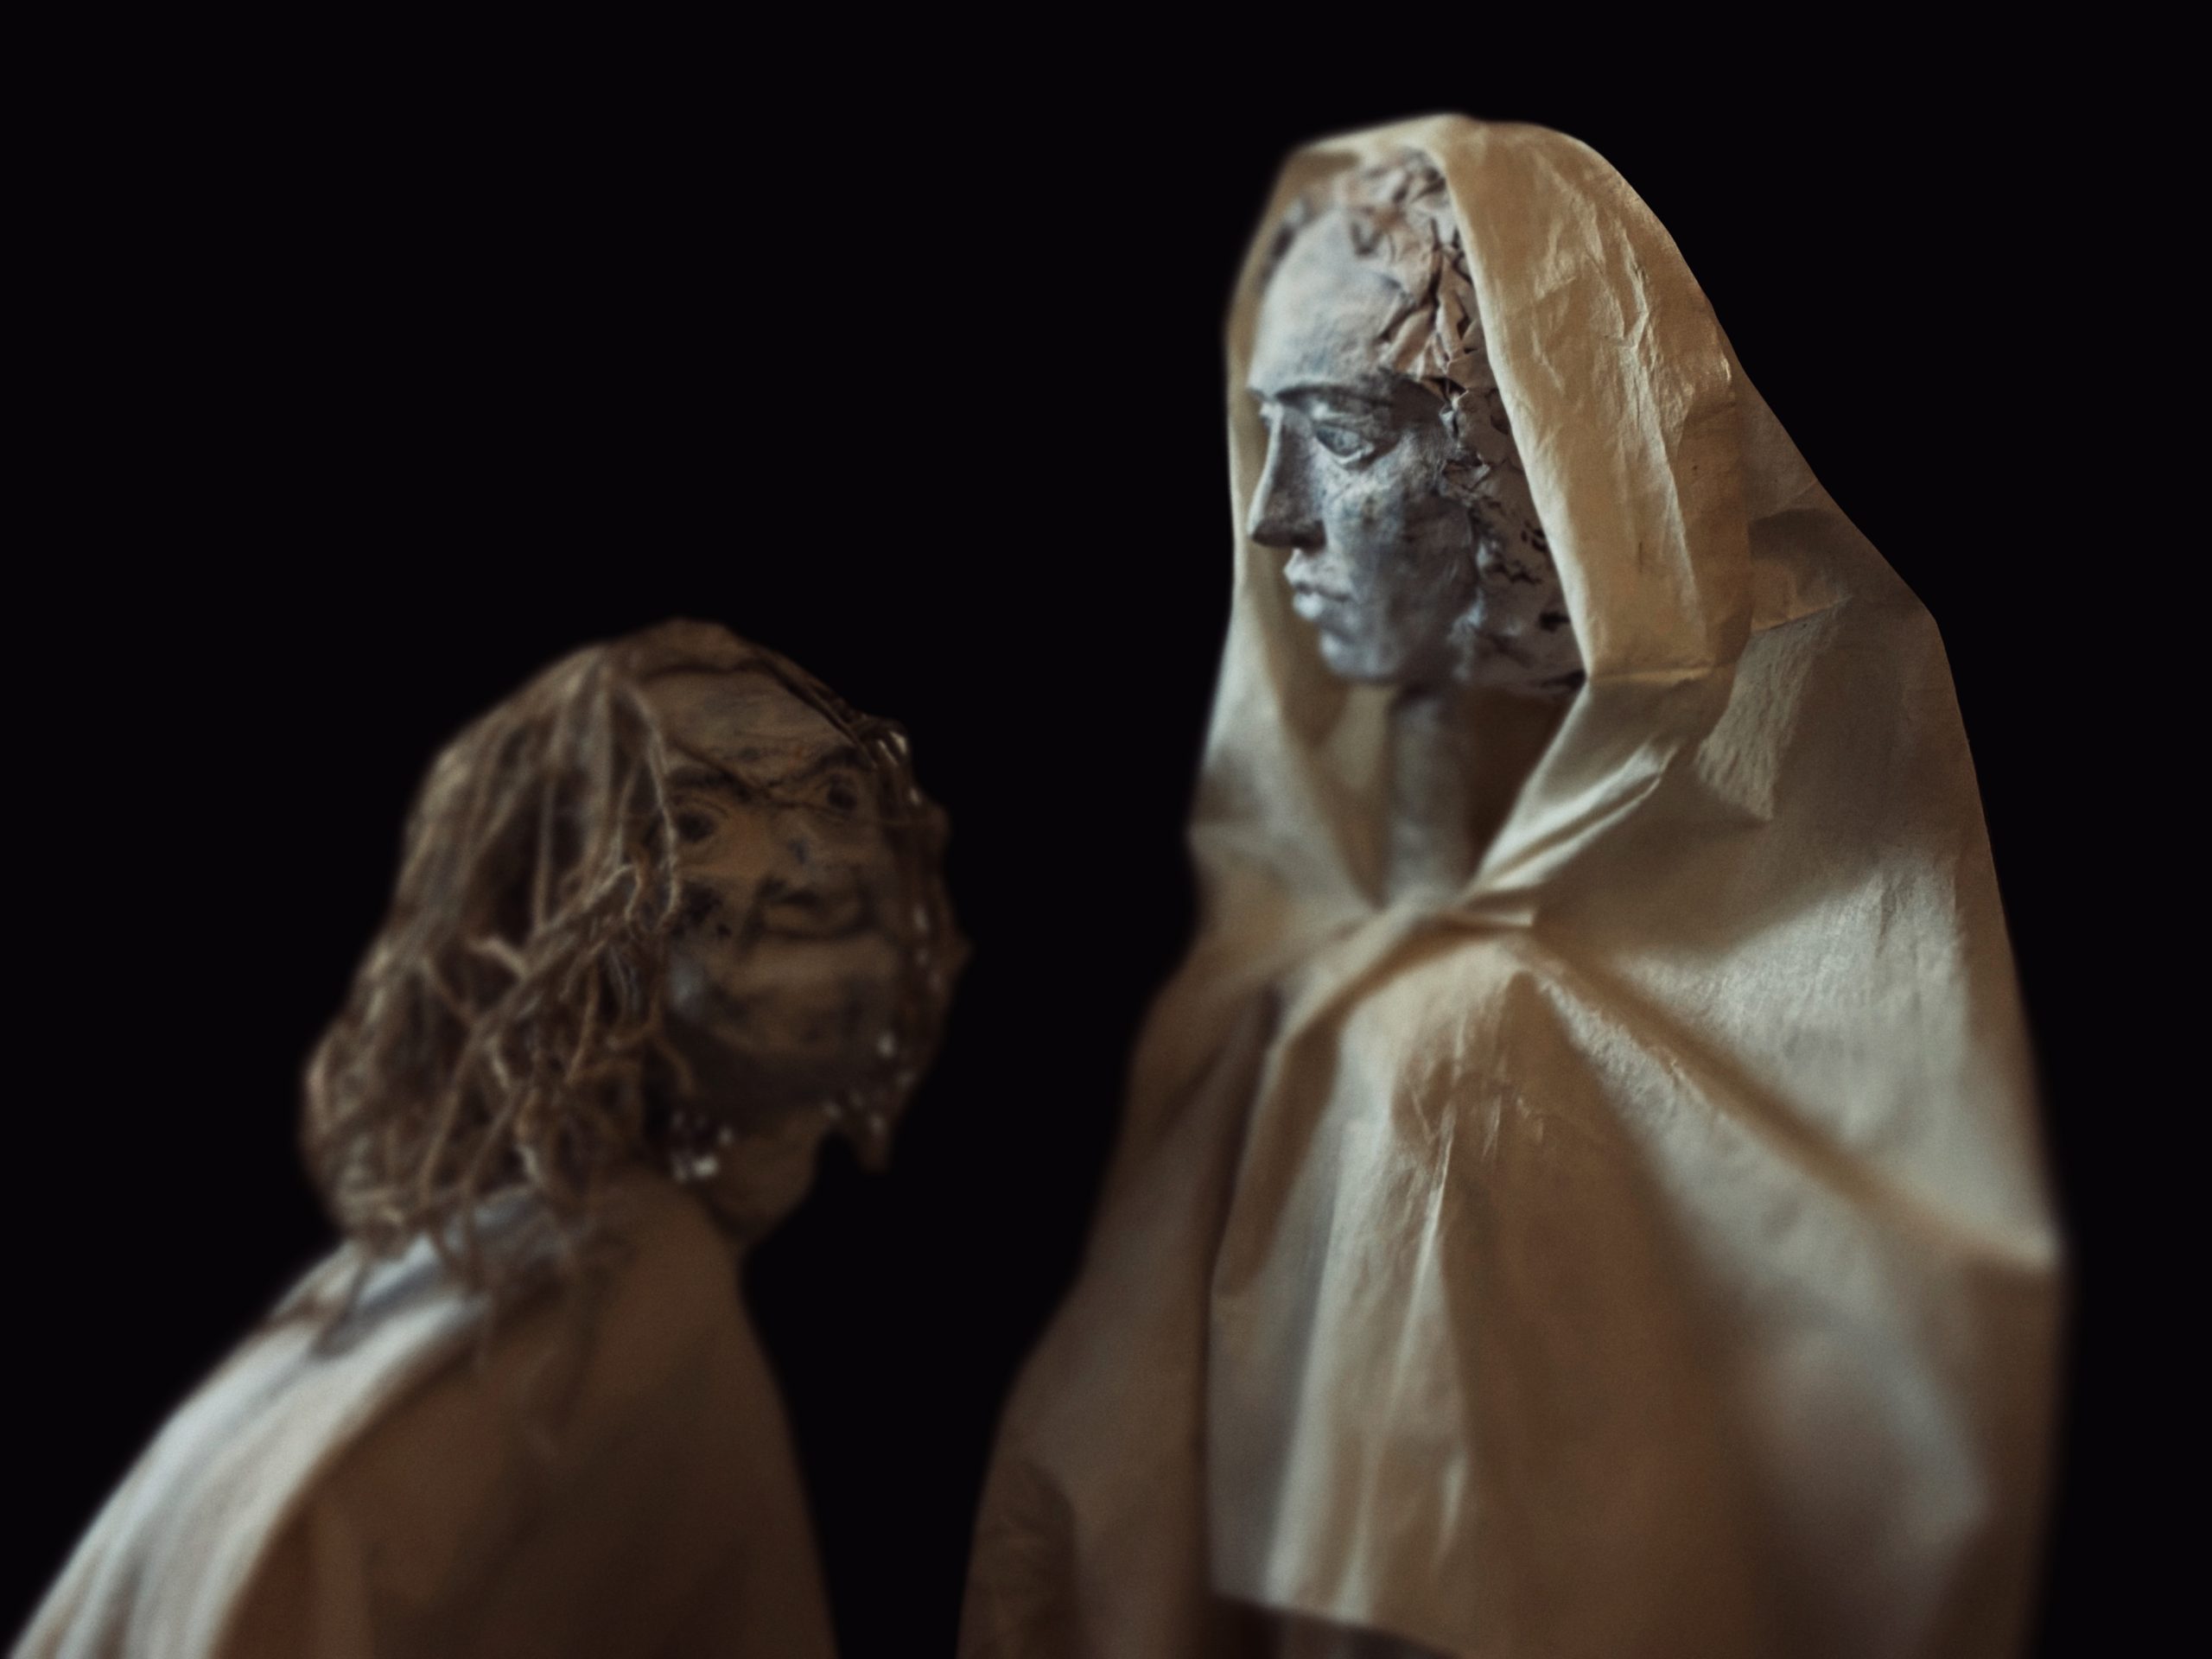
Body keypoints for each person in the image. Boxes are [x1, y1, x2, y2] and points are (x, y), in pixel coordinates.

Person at [960, 121, 2062, 1659]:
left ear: (1537, 472)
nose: (1274, 512)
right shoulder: (1374, 963)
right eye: (1271, 434)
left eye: (1345, 432)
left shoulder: (1446, 1043)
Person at [17, 618, 964, 1659]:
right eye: (696, 822)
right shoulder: (623, 1306)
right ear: (545, 910)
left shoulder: (448, 1276)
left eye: (839, 800)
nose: (818, 868)